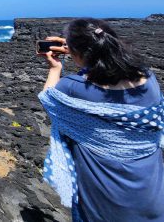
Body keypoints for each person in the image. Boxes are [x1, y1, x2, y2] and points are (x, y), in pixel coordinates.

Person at [38, 18, 164, 222]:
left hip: (105, 200)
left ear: (77, 52)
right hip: (150, 194)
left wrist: (55, 69)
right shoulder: (148, 79)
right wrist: (81, 51)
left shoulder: (72, 87)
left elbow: (49, 101)